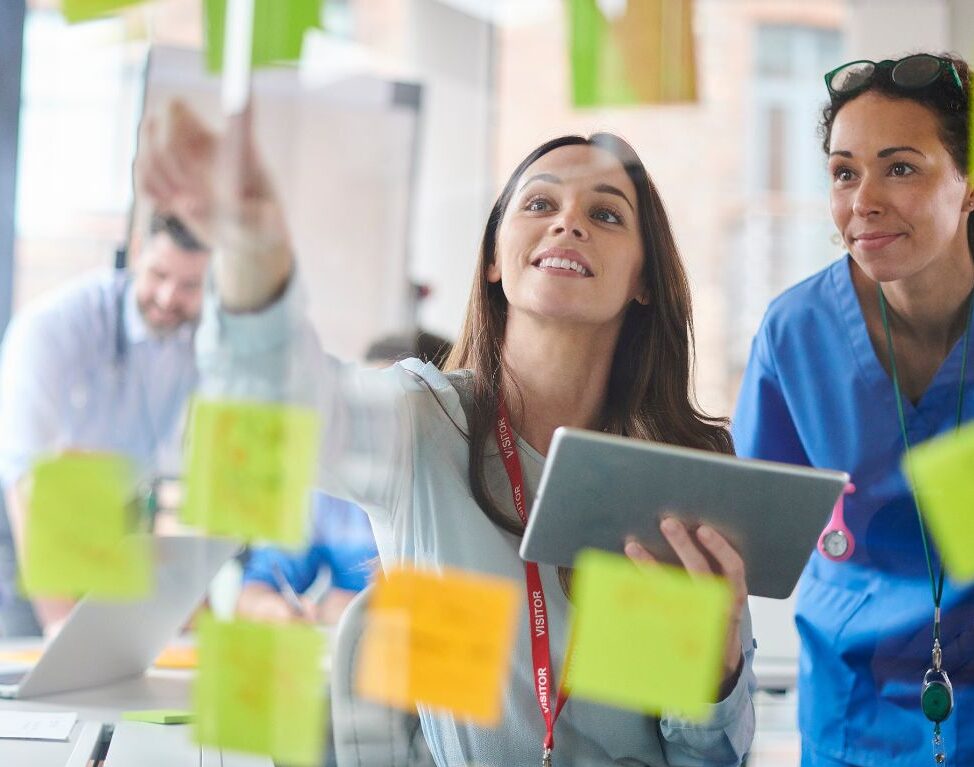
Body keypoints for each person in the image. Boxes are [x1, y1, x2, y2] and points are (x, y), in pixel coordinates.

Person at [141, 101, 756, 766]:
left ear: (642, 280)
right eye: (539, 204)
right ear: (495, 258)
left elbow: (701, 757)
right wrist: (253, 246)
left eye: (605, 214)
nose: (568, 222)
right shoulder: (426, 427)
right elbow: (280, 404)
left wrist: (714, 678)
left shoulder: (671, 476)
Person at [733, 52, 974, 766]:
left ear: (967, 185)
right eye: (844, 172)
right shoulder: (797, 331)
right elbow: (750, 533)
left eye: (900, 167)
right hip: (853, 708)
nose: (862, 200)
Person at [0, 213, 209, 635]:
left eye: (191, 286)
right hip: (28, 518)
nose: (170, 298)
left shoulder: (205, 340)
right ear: (135, 251)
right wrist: (59, 624)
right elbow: (26, 478)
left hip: (118, 523)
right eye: (159, 274)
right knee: (33, 679)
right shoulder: (55, 327)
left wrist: (189, 607)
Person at [236, 332, 451, 626]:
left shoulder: (455, 498)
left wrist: (351, 608)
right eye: (363, 410)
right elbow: (253, 591)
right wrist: (274, 608)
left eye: (388, 412)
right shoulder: (330, 492)